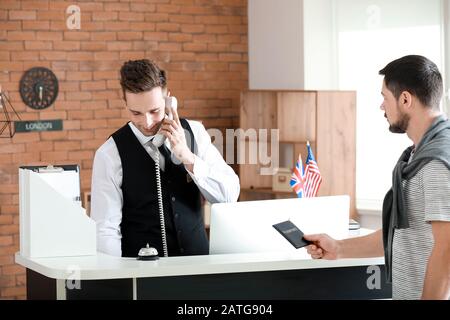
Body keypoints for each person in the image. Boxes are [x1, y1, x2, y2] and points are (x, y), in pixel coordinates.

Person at [305, 55, 450, 300]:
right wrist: (338, 247)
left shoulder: (436, 163)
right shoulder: (417, 156)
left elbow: (447, 250)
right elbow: (400, 234)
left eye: (384, 97)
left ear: (405, 99)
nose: (381, 106)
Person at [90, 59, 240, 258]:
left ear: (168, 100)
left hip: (200, 268)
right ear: (125, 104)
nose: (147, 122)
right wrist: (114, 279)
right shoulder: (109, 154)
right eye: (136, 113)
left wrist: (188, 157)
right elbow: (105, 231)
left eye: (155, 111)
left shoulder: (195, 133)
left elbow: (229, 196)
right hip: (142, 275)